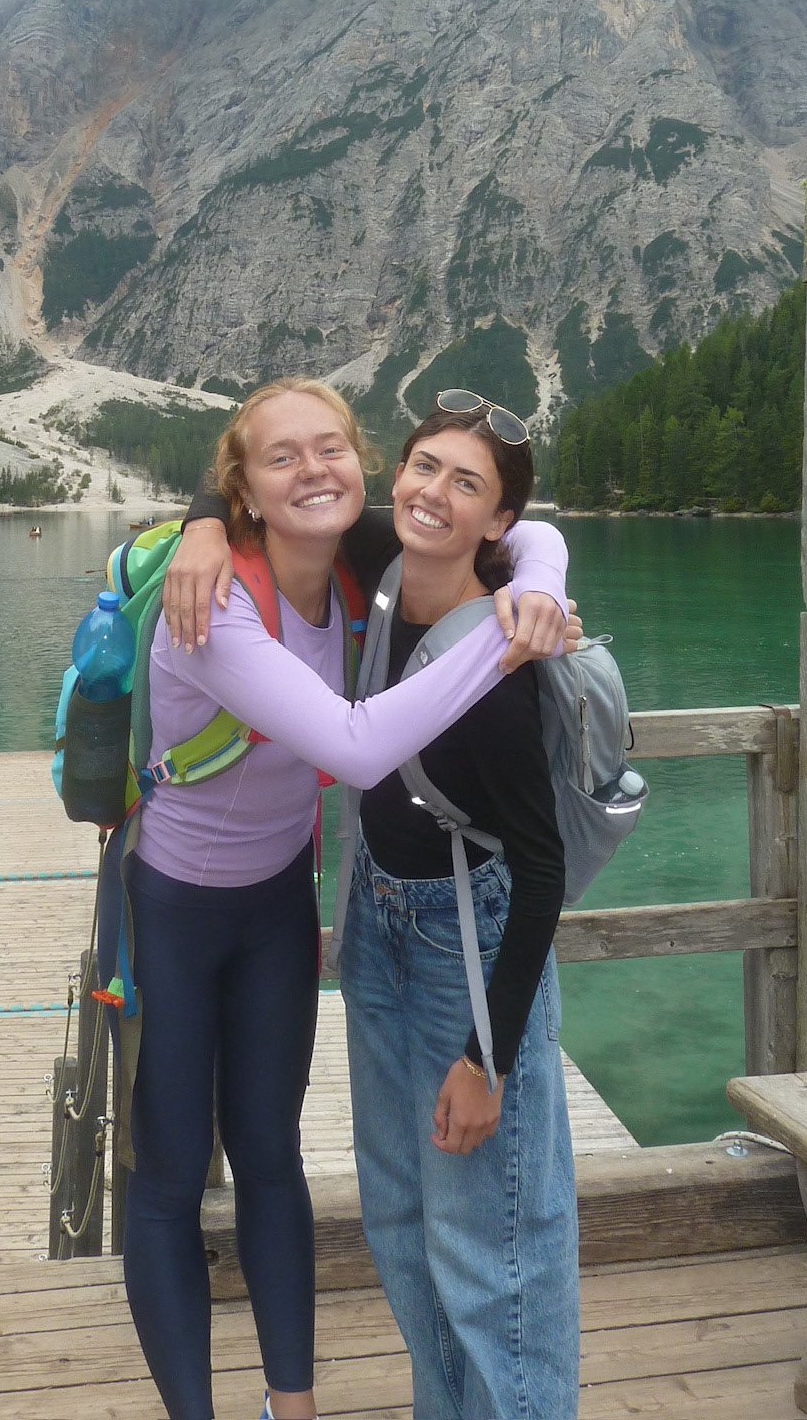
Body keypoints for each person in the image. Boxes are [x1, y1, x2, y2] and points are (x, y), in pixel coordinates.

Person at [116, 378, 573, 1420]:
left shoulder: (363, 554)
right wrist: (501, 639)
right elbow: (357, 745)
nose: (314, 469)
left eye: (334, 447)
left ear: (364, 465)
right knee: (173, 1172)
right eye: (284, 457)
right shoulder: (216, 599)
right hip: (177, 909)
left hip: (280, 902)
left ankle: (294, 1406)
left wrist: (536, 580)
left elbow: (522, 527)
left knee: (273, 1156)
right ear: (243, 490)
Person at [341, 397, 577, 1418]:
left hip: (465, 947)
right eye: (422, 466)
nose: (432, 491)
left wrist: (489, 1055)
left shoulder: (501, 666)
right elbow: (251, 481)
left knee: (495, 1248)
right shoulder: (383, 562)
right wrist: (210, 527)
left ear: (496, 524)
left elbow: (540, 871)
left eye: (465, 482)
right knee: (400, 1220)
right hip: (375, 925)